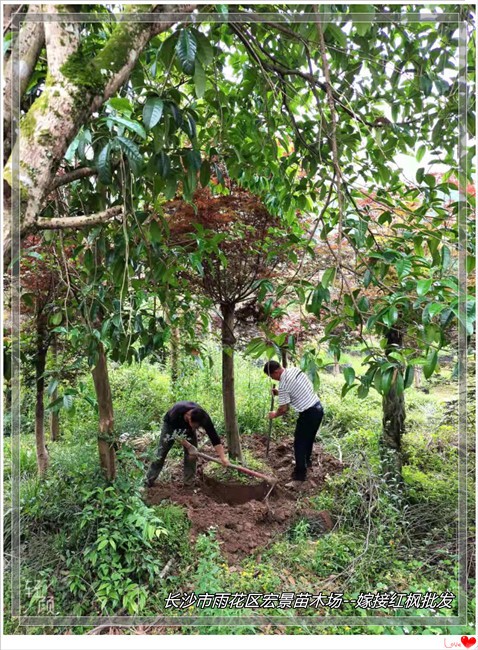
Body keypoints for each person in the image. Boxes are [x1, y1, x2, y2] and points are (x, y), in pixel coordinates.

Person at [263, 361, 324, 482]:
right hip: (318, 409)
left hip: (308, 413)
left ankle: (300, 475)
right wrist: (280, 394)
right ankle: (307, 462)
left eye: (271, 376)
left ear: (276, 372)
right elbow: (296, 390)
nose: (273, 379)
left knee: (299, 443)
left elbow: (283, 408)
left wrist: (274, 414)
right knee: (309, 438)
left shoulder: (284, 384)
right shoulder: (295, 371)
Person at [145, 401, 229, 487]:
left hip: (187, 428)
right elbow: (175, 434)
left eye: (197, 427)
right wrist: (189, 446)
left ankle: (189, 483)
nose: (196, 428)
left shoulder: (203, 417)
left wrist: (223, 457)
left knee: (192, 455)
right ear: (189, 417)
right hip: (170, 427)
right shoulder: (176, 412)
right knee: (161, 453)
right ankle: (148, 480)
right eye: (195, 426)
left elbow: (214, 437)